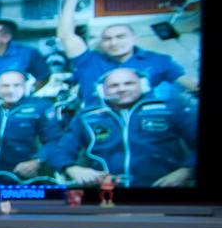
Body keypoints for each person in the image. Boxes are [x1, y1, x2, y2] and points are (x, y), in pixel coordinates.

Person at [40, 67, 196, 188]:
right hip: (106, 193)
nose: (122, 89)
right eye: (114, 86)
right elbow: (62, 149)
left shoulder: (169, 109)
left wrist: (186, 171)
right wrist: (72, 168)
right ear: (103, 91)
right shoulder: (87, 116)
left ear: (143, 86)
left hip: (162, 189)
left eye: (129, 83)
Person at [57, 0, 197, 106]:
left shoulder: (159, 61)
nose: (114, 43)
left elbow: (191, 84)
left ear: (135, 39)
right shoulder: (88, 61)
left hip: (144, 126)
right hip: (98, 125)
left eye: (120, 37)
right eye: (107, 39)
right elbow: (67, 35)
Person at [0, 70, 62, 179]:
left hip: (18, 175)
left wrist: (37, 161)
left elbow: (54, 140)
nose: (11, 90)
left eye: (17, 85)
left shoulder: (40, 107)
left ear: (26, 87)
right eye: (5, 86)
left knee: (15, 195)